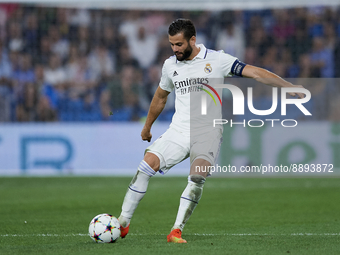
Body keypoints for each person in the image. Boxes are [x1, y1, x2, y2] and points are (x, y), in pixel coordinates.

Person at [117, 18, 305, 243]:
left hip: (207, 131)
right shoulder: (170, 66)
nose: (175, 49)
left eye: (179, 44)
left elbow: (255, 72)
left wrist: (289, 87)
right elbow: (160, 96)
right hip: (178, 130)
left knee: (196, 177)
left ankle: (176, 230)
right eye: (171, 45)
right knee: (146, 165)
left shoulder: (217, 60)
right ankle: (123, 222)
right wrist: (147, 127)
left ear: (192, 40)